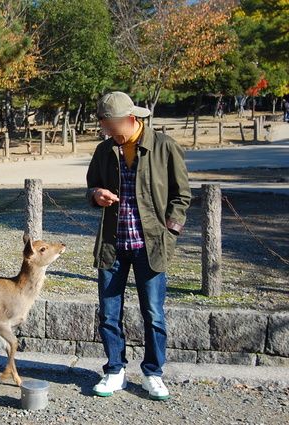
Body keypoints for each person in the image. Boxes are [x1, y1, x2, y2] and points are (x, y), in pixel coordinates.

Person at [86, 92, 191, 401]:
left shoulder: (164, 146)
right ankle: (115, 370)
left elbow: (182, 195)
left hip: (151, 246)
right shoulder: (105, 150)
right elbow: (90, 186)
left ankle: (153, 374)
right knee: (108, 312)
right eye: (104, 125)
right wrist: (96, 195)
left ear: (130, 120)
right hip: (112, 244)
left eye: (109, 126)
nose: (106, 132)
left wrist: (169, 233)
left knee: (154, 314)